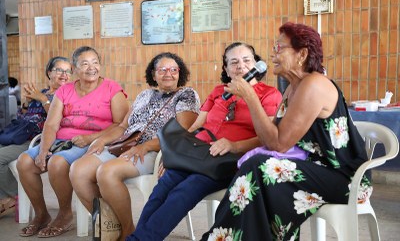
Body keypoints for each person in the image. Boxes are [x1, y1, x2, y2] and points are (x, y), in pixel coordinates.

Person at [201, 22, 371, 241]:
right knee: (260, 172)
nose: (273, 53)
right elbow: (268, 135)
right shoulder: (292, 88)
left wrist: (250, 97)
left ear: (302, 54)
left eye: (279, 48)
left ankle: (221, 237)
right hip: (313, 169)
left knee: (260, 167)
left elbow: (278, 144)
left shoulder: (314, 85)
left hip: (344, 176)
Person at [127, 42, 282, 241]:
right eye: (233, 62)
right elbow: (194, 126)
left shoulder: (269, 94)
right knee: (162, 188)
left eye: (246, 60)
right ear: (226, 69)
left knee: (184, 191)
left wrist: (233, 145)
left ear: (256, 64)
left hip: (228, 159)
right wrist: (172, 151)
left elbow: (266, 138)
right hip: (198, 153)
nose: (240, 66)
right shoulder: (219, 91)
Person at [70, 52, 201, 241]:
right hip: (124, 145)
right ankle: (111, 224)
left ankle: (127, 230)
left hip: (155, 152)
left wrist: (145, 146)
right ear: (153, 74)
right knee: (78, 170)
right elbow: (123, 126)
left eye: (173, 70)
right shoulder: (144, 95)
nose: (168, 74)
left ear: (180, 73)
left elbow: (181, 132)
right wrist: (102, 140)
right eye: (162, 70)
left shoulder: (186, 95)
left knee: (107, 172)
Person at [16, 46, 129, 237]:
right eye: (84, 63)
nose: (91, 67)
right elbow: (51, 125)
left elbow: (120, 124)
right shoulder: (65, 91)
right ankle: (42, 214)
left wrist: (90, 138)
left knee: (57, 162)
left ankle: (65, 214)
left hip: (94, 140)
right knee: (24, 162)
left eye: (95, 62)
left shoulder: (112, 88)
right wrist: (43, 150)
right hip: (61, 139)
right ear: (75, 68)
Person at [0, 57, 72, 219]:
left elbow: (61, 121)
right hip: (21, 135)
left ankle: (14, 198)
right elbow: (22, 118)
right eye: (59, 70)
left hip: (37, 141)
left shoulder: (68, 95)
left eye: (68, 71)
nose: (64, 74)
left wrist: (43, 100)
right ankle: (6, 198)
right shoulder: (43, 93)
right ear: (49, 73)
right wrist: (26, 104)